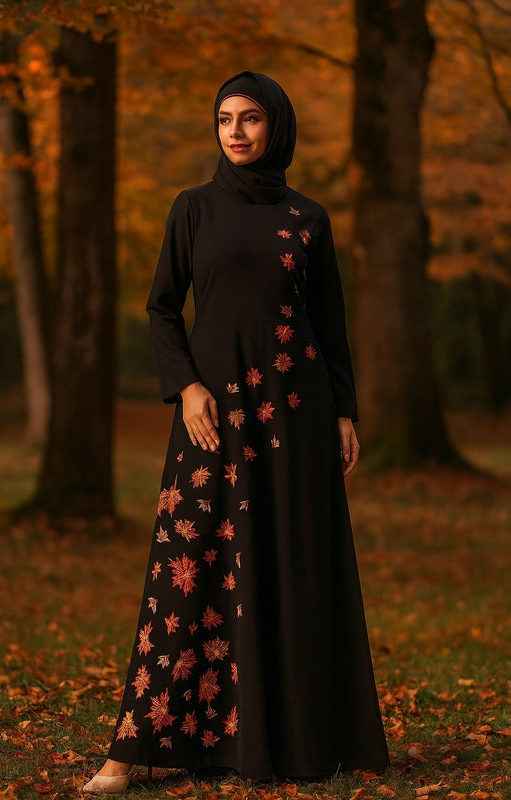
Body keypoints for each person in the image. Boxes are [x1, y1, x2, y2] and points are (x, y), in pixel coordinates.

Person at [83, 71, 389, 793]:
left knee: (290, 563)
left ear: (275, 126)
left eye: (250, 118)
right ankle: (127, 753)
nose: (235, 131)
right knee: (184, 566)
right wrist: (185, 385)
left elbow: (328, 324)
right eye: (224, 118)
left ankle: (285, 739)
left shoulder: (307, 218)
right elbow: (162, 308)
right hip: (211, 414)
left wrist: (343, 410)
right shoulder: (192, 209)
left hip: (295, 411)